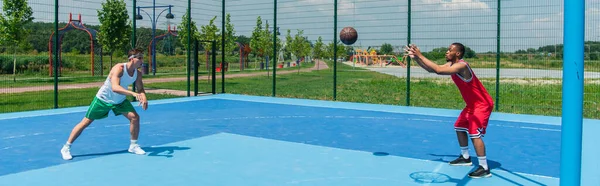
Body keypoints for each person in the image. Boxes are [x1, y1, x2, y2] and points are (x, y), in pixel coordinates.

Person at [406, 43, 494, 178]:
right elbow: (433, 70)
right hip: (472, 105)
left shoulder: (462, 66)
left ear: (457, 53)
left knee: (474, 134)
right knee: (459, 126)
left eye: (449, 50)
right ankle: (465, 158)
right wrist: (416, 58)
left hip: (482, 104)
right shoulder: (451, 65)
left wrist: (420, 54)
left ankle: (484, 167)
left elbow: (438, 70)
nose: (446, 52)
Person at [60, 48, 149, 160]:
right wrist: (133, 94)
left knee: (135, 117)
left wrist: (143, 97)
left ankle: (133, 146)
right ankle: (66, 147)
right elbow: (115, 87)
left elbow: (140, 88)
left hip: (119, 101)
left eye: (142, 58)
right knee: (86, 122)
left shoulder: (138, 74)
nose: (142, 60)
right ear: (131, 59)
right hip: (103, 99)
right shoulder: (119, 68)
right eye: (139, 58)